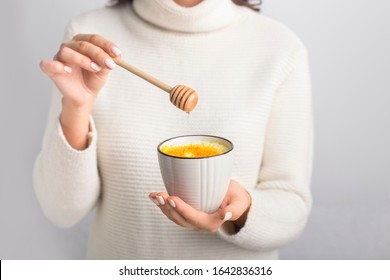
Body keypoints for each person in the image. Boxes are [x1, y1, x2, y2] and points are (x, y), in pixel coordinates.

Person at [34, 0, 313, 259]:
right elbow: (61, 212)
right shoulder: (90, 39)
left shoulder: (280, 48)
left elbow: (293, 211)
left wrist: (241, 210)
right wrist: (77, 108)